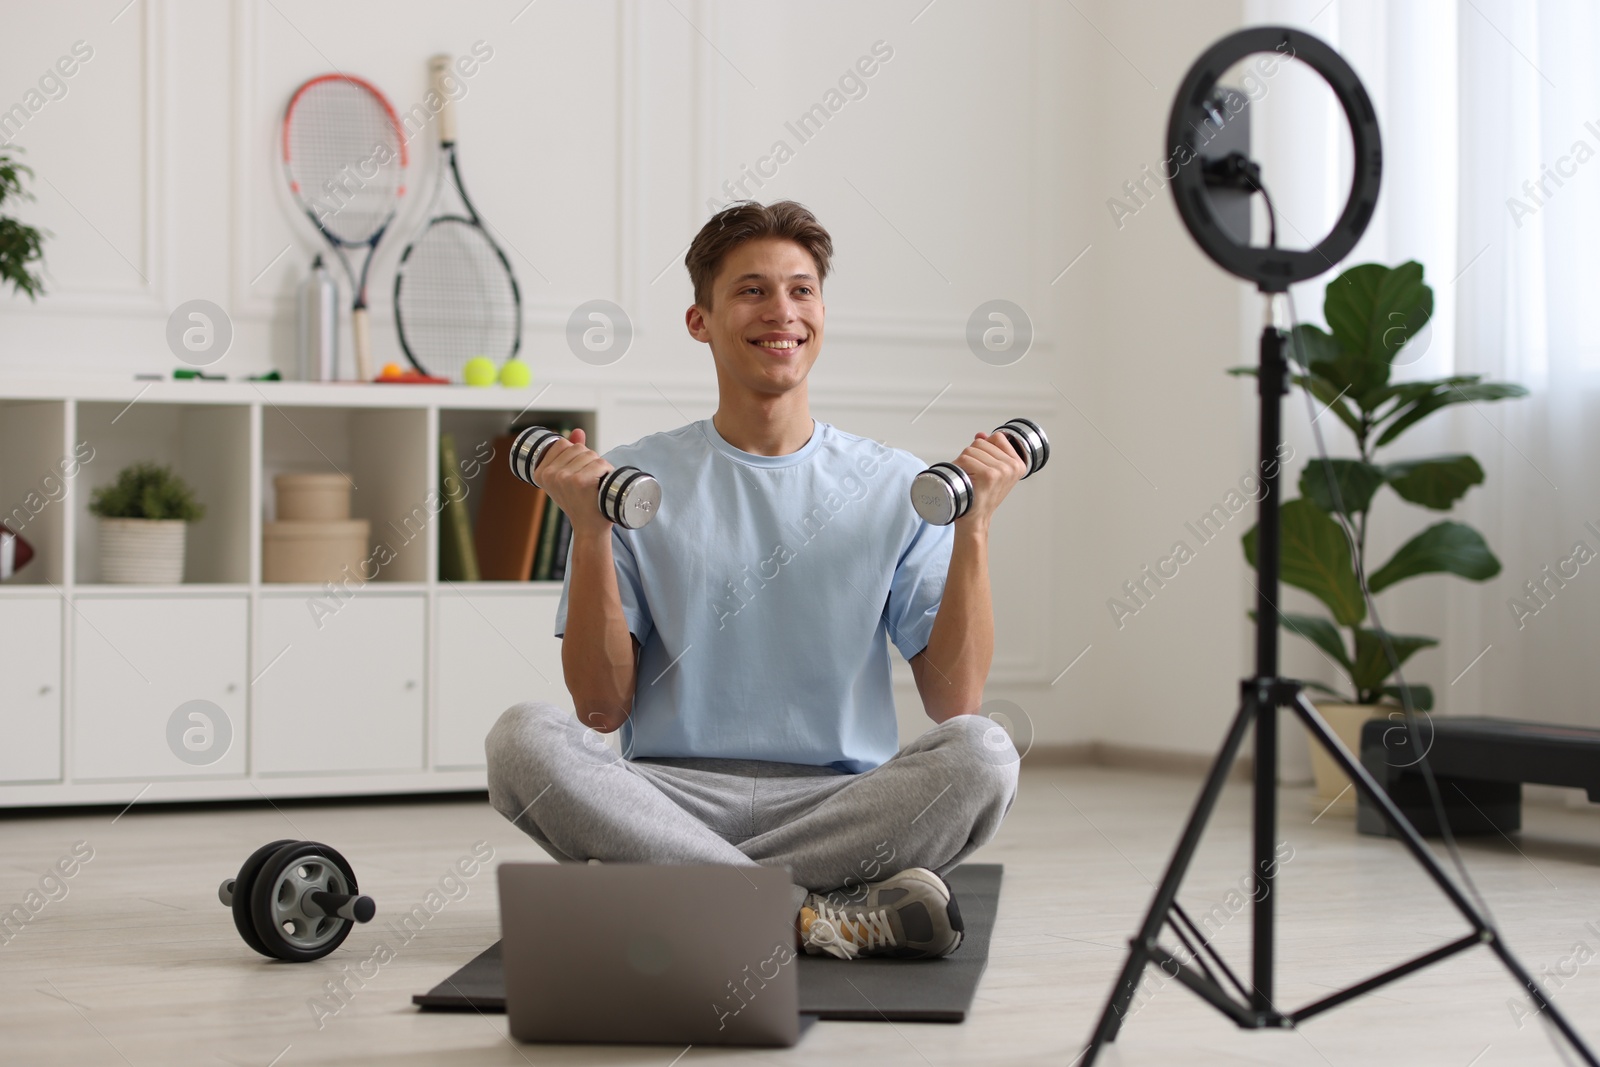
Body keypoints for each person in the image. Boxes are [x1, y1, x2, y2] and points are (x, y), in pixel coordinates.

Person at [486, 199, 1024, 961]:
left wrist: (974, 526)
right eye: (752, 290)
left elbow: (953, 700)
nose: (783, 312)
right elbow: (601, 708)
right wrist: (590, 530)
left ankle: (690, 895)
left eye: (802, 290)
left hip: (838, 803)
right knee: (521, 740)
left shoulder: (895, 484)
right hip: (673, 799)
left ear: (822, 312)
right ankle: (812, 914)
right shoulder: (630, 483)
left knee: (986, 752)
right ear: (699, 320)